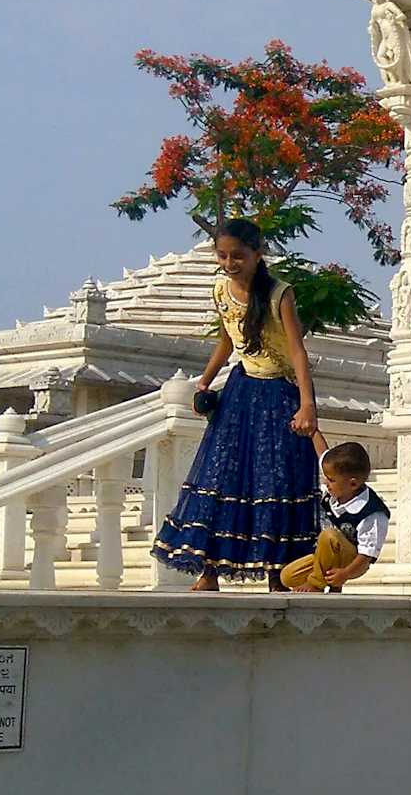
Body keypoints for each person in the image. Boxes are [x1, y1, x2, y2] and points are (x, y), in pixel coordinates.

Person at [152, 219, 322, 590]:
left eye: (238, 256)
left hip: (280, 393)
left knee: (277, 480)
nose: (230, 263)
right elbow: (227, 341)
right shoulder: (220, 290)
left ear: (257, 254)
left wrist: (307, 405)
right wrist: (204, 381)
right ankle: (209, 571)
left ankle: (280, 574)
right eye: (223, 255)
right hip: (240, 392)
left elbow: (297, 351)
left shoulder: (280, 294)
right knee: (223, 476)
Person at [281, 432, 390, 593]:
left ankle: (316, 584)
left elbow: (366, 556)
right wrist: (313, 432)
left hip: (353, 561)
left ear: (352, 484)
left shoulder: (371, 512)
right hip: (327, 554)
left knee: (329, 535)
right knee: (288, 577)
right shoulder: (334, 492)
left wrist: (345, 574)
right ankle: (329, 582)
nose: (326, 482)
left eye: (331, 480)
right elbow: (323, 455)